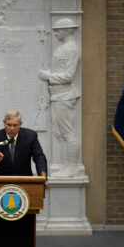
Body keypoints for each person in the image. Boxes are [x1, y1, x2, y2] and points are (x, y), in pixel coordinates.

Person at [38, 18, 80, 178]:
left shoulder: (72, 49)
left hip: (64, 95)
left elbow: (69, 75)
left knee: (68, 133)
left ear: (68, 30)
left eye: (58, 30)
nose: (55, 33)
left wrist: (49, 76)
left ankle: (72, 168)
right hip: (56, 96)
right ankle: (64, 167)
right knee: (59, 134)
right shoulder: (63, 48)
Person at [0, 109, 48, 185]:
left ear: (20, 124)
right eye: (9, 125)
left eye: (15, 125)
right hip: (0, 184)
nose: (12, 128)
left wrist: (43, 178)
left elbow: (39, 157)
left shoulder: (30, 136)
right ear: (4, 123)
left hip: (24, 183)